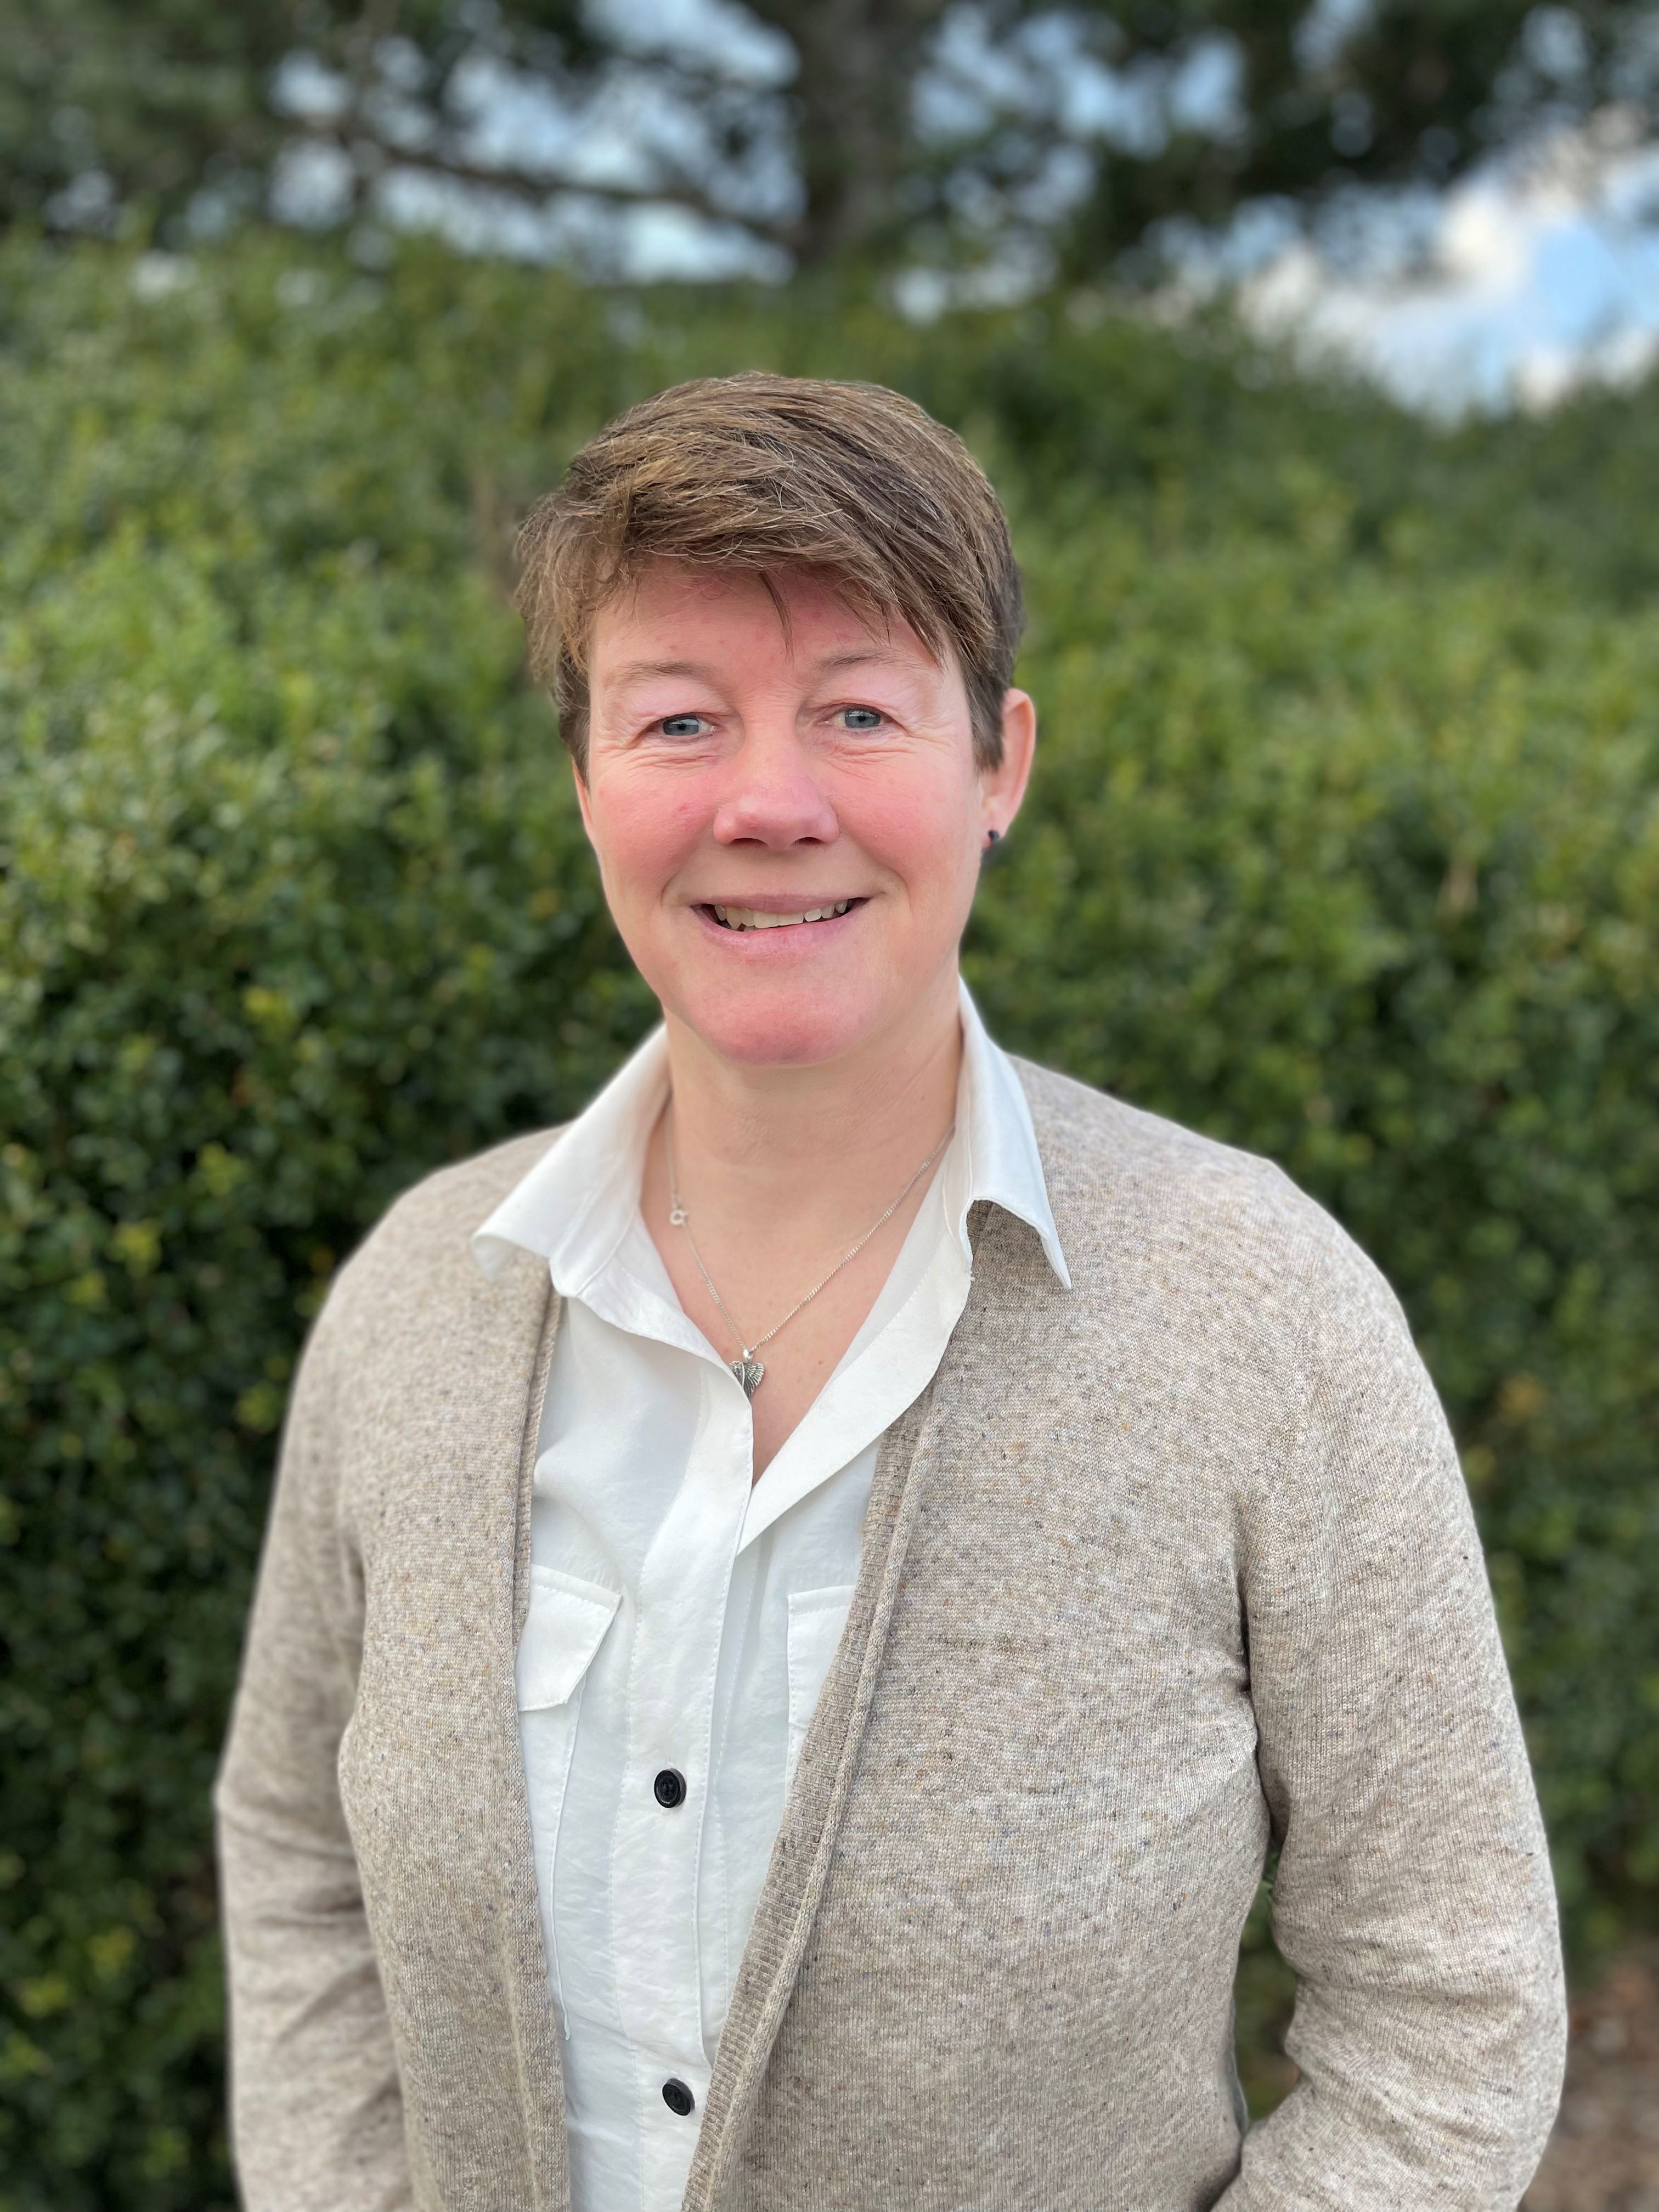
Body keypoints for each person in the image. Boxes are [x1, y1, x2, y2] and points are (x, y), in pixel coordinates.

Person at [215, 372, 1566, 2212]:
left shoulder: (1261, 1313)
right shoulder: (416, 1304)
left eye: (858, 711)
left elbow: (1454, 2003)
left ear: (999, 764)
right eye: (678, 720)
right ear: (587, 779)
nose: (769, 804)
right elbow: (293, 1849)